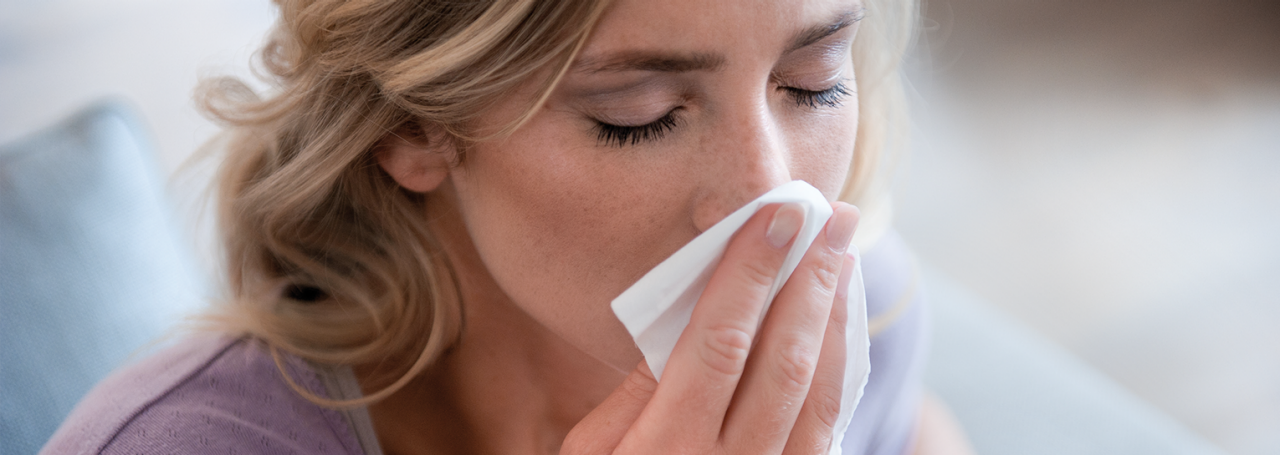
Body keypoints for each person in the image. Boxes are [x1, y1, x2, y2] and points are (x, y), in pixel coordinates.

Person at [44, 0, 973, 453]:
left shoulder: (861, 321)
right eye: (640, 112)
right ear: (411, 127)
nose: (768, 197)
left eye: (814, 83)